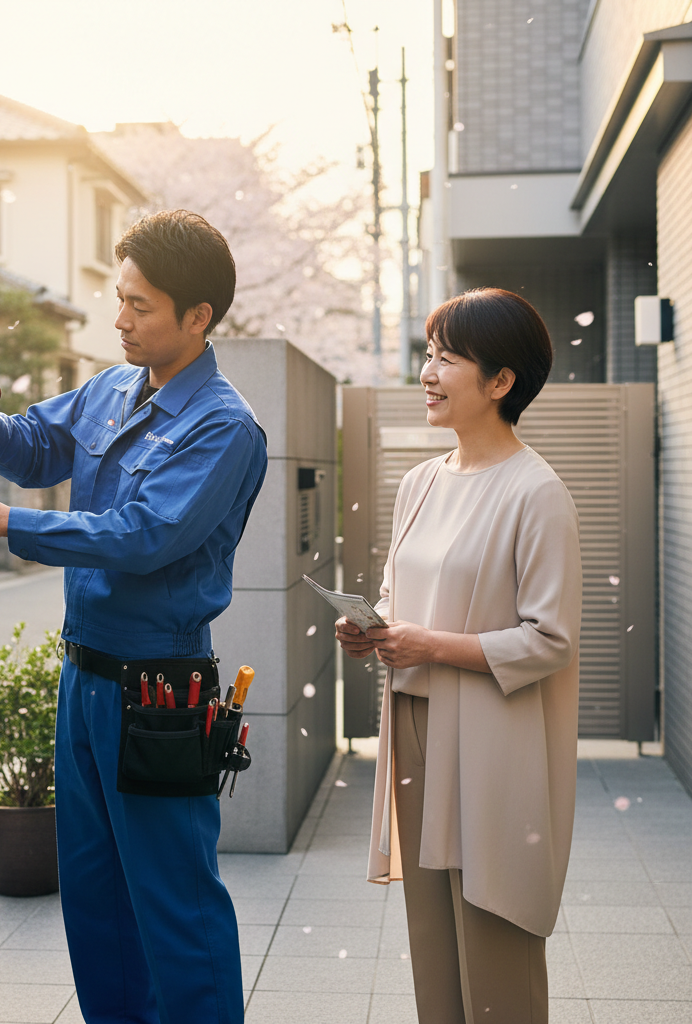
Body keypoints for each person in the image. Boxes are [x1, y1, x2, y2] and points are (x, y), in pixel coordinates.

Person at [0, 209, 267, 1024]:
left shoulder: (225, 425)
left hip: (160, 688)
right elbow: (39, 443)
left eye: (139, 306)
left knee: (174, 905)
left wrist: (7, 522)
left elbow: (146, 535)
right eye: (120, 299)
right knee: (95, 897)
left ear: (198, 317)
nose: (119, 320)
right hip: (85, 679)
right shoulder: (114, 385)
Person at [337, 288, 582, 1024]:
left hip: (490, 739)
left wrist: (427, 643)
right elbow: (395, 597)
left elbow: (550, 639)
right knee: (431, 936)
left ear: (502, 382)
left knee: (493, 929)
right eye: (427, 354)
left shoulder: (537, 492)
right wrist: (371, 630)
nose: (428, 372)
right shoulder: (419, 482)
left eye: (448, 357)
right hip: (413, 725)